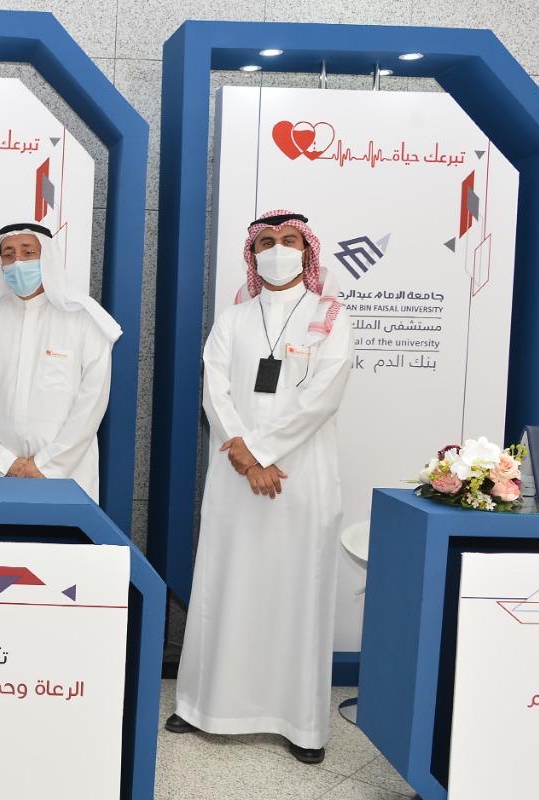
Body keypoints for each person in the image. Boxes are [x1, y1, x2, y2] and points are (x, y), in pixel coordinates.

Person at [167, 209, 354, 765]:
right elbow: (215, 388)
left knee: (298, 589)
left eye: (289, 240)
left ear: (307, 250)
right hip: (236, 474)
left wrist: (263, 452)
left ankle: (299, 723)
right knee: (225, 582)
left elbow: (323, 394)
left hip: (302, 476)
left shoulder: (330, 315)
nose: (278, 250)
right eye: (266, 242)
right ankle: (203, 706)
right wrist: (246, 456)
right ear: (252, 254)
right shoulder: (234, 318)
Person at [0, 222, 120, 502]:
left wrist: (46, 464)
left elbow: (91, 402)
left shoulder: (84, 321)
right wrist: (0, 460)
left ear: (47, 257)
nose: (18, 262)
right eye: (9, 254)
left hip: (66, 474)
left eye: (28, 252)